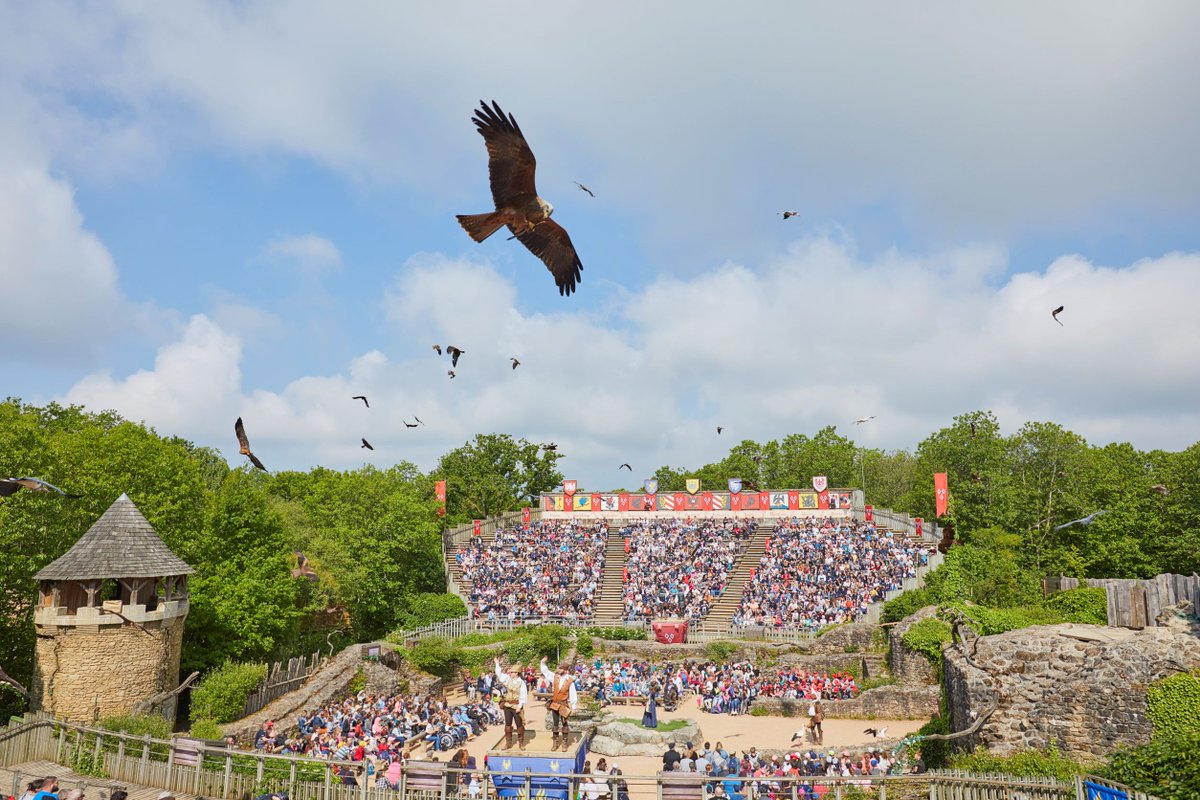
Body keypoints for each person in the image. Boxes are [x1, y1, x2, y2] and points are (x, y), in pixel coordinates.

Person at [540, 656, 578, 752]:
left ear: (565, 670)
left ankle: (564, 743)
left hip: (564, 704)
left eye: (561, 668)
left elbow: (573, 694)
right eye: (559, 668)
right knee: (555, 723)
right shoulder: (555, 677)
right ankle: (555, 742)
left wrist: (574, 707)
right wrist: (543, 663)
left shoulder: (570, 681)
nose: (559, 669)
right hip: (555, 704)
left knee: (565, 724)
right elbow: (546, 672)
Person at [494, 657, 529, 750]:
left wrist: (520, 706)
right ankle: (508, 743)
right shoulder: (508, 679)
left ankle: (521, 743)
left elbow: (523, 695)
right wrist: (497, 663)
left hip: (517, 705)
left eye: (512, 672)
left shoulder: (522, 683)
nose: (511, 673)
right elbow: (499, 674)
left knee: (519, 725)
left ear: (517, 673)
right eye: (511, 672)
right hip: (507, 705)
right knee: (508, 725)